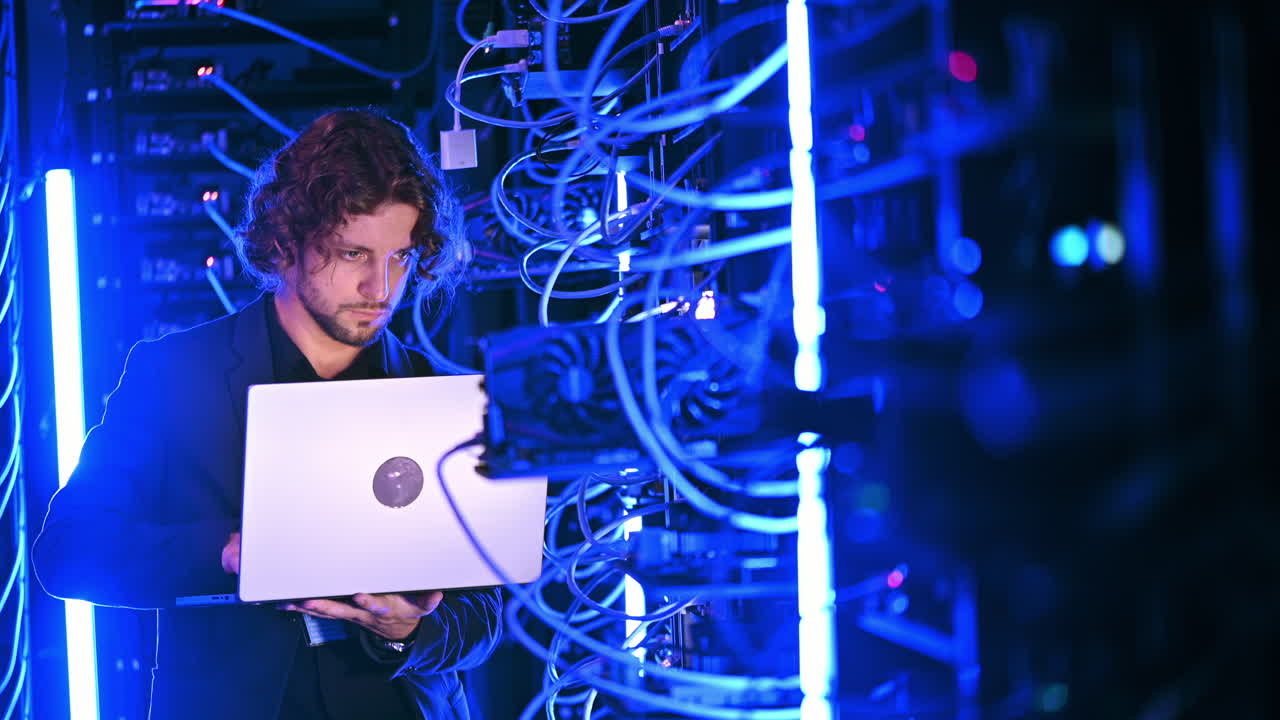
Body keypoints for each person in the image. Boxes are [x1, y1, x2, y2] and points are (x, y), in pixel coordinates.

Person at [33, 109, 501, 720]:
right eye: (353, 254)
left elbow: (485, 613)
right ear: (285, 243)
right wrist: (225, 553)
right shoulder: (174, 374)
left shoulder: (443, 395)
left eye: (401, 257)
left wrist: (406, 632)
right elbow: (70, 551)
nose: (381, 288)